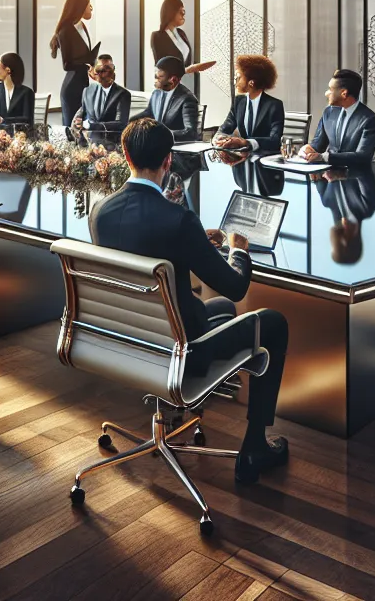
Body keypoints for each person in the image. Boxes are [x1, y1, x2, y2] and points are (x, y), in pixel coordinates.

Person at [89, 118, 291, 484]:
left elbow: (144, 242)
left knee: (222, 311)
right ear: (169, 161)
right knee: (273, 322)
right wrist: (237, 250)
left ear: (125, 155)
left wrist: (197, 243)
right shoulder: (178, 219)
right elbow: (235, 286)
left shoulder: (100, 211)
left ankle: (180, 402)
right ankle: (255, 445)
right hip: (182, 351)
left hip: (129, 341)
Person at [300, 68, 375, 166]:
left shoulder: (369, 120)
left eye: (330, 89)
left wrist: (325, 157)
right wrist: (307, 149)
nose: (326, 93)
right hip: (328, 173)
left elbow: (363, 157)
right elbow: (318, 145)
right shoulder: (329, 112)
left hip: (354, 174)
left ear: (344, 93)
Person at [50, 0, 100, 133]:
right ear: (80, 7)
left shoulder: (82, 26)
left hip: (83, 85)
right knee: (73, 131)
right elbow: (67, 65)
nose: (91, 8)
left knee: (84, 131)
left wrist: (92, 64)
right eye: (88, 5)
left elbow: (83, 56)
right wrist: (87, 65)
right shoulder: (65, 30)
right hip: (72, 88)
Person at [212, 54, 284, 153]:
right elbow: (225, 128)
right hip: (242, 158)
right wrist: (219, 138)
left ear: (251, 83)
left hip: (264, 157)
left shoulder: (274, 105)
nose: (235, 83)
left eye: (238, 78)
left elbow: (275, 140)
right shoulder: (238, 102)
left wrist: (247, 143)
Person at [139, 55, 201, 141]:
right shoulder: (156, 93)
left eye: (158, 77)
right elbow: (149, 113)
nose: (155, 81)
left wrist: (160, 135)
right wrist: (129, 123)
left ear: (173, 80)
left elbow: (190, 132)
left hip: (174, 146)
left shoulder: (187, 99)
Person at [150, 0, 215, 76]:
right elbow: (161, 67)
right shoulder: (157, 36)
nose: (183, 15)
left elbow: (187, 62)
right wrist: (188, 70)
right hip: (168, 82)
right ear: (171, 12)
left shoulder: (181, 33)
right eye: (181, 12)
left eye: (184, 12)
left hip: (185, 80)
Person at [72, 53, 131, 138]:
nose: (103, 74)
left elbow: (120, 124)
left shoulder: (123, 94)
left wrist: (90, 125)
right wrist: (76, 125)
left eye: (107, 69)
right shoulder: (88, 91)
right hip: (88, 140)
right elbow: (81, 113)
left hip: (110, 141)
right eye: (100, 70)